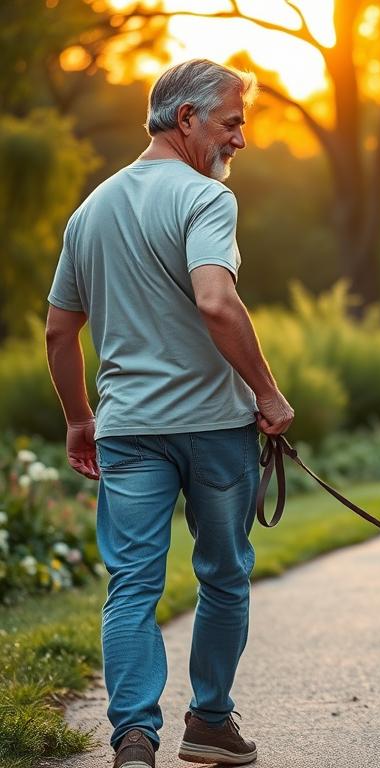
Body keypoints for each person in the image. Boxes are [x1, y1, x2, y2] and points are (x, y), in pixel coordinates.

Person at [45, 58, 294, 768]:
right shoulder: (204, 199)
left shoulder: (89, 210)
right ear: (186, 119)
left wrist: (78, 418)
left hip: (126, 431)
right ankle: (210, 722)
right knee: (222, 574)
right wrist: (269, 395)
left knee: (133, 584)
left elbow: (61, 331)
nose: (241, 139)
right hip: (215, 428)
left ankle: (132, 739)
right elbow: (216, 300)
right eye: (232, 122)